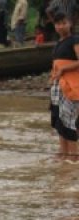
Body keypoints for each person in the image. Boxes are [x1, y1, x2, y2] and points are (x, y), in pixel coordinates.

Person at [49, 11, 79, 157]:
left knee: (69, 121)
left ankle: (74, 157)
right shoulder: (58, 44)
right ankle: (63, 153)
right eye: (58, 24)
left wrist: (63, 68)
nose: (61, 26)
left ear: (70, 24)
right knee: (59, 121)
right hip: (57, 87)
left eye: (64, 23)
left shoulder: (75, 40)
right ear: (55, 26)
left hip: (72, 86)